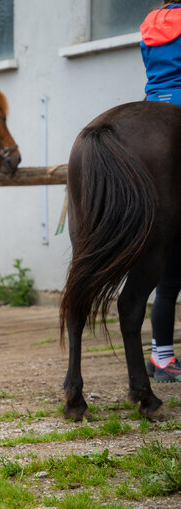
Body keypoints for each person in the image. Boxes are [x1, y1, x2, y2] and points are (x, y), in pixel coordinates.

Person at [140, 1, 181, 382]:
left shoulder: (151, 20)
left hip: (154, 101)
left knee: (166, 279)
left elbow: (150, 64)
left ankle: (162, 356)